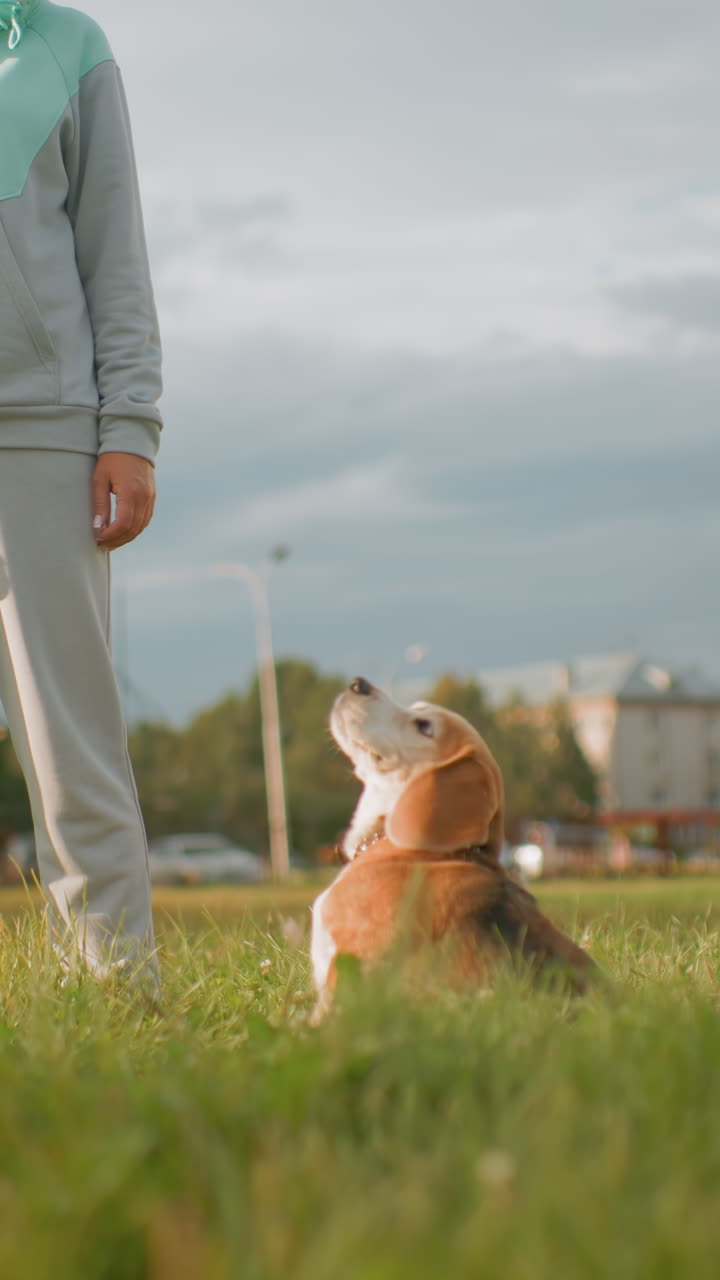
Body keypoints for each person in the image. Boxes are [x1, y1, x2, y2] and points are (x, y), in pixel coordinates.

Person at [0, 1, 162, 975]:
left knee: (72, 743)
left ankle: (118, 993)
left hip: (43, 430)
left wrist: (130, 427)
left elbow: (116, 252)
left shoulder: (66, 45)